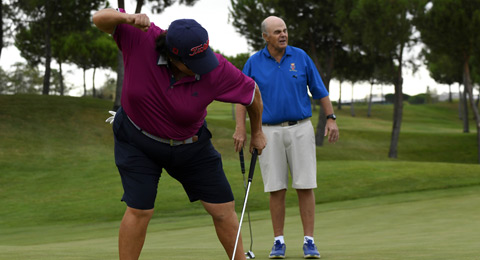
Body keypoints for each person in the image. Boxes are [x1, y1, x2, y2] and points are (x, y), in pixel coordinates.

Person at [92, 8, 266, 260]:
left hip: (191, 145)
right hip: (137, 141)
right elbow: (99, 18)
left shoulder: (216, 69)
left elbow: (252, 94)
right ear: (171, 56)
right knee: (140, 209)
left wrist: (257, 132)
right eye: (193, 63)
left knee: (223, 209)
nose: (202, 68)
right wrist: (126, 18)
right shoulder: (141, 38)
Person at [233, 16, 339, 259]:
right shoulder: (253, 63)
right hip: (267, 131)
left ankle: (309, 241)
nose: (283, 35)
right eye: (277, 32)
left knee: (305, 185)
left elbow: (319, 90)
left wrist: (331, 117)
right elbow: (241, 98)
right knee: (276, 187)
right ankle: (278, 241)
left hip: (300, 127)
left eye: (285, 30)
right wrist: (241, 129)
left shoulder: (300, 57)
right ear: (265, 37)